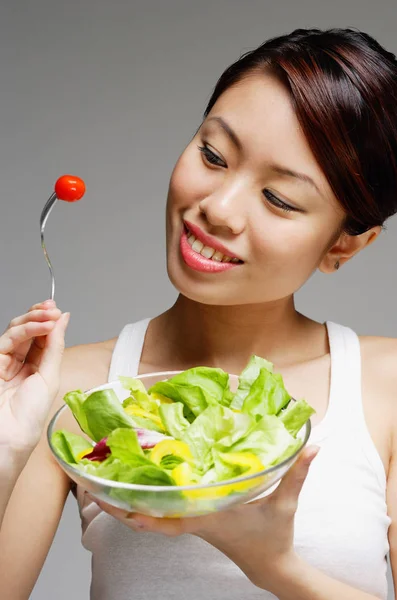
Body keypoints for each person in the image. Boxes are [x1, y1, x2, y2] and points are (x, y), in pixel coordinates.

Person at [1, 26, 397, 600]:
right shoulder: (71, 391)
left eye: (279, 198)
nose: (217, 209)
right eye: (212, 155)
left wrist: (274, 565)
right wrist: (8, 443)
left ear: (344, 244)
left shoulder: (387, 387)